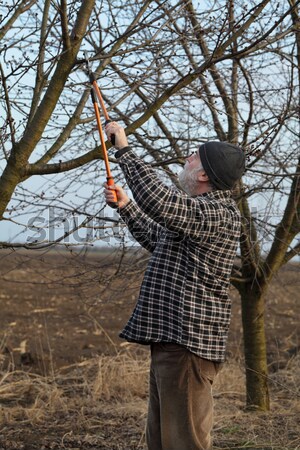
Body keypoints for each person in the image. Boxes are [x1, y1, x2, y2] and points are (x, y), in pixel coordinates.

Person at [104, 122, 245, 450]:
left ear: (204, 175)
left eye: (194, 156)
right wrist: (126, 206)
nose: (187, 157)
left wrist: (124, 151)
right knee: (163, 441)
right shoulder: (198, 215)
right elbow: (159, 238)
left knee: (183, 443)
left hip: (187, 347)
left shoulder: (218, 214)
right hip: (173, 343)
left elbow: (162, 203)